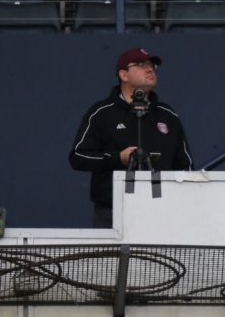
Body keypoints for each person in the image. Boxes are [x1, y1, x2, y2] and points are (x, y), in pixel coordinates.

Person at [69, 48, 194, 228]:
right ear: (123, 75)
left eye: (152, 65)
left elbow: (186, 165)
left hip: (163, 210)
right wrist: (117, 158)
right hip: (113, 212)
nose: (150, 69)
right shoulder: (102, 113)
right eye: (141, 65)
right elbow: (78, 157)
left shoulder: (168, 114)